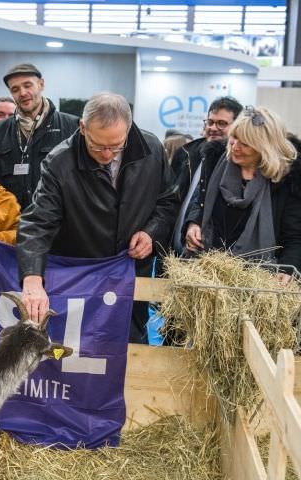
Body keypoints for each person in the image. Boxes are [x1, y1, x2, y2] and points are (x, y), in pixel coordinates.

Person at [16, 93, 179, 342]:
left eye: (116, 145)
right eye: (98, 145)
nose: (107, 154)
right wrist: (32, 279)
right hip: (83, 274)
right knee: (81, 350)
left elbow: (167, 201)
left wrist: (150, 232)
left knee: (130, 345)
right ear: (83, 128)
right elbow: (38, 222)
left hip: (131, 271)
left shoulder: (151, 149)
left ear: (129, 127)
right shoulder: (59, 162)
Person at [184, 106, 301, 282]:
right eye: (234, 138)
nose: (235, 147)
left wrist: (288, 269)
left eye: (245, 143)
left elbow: (294, 235)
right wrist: (193, 224)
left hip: (258, 282)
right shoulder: (214, 162)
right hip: (206, 275)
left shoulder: (287, 181)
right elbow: (199, 204)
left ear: (265, 147)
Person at [0, 63, 79, 210]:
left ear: (41, 84)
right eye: (15, 89)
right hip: (13, 225)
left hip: (59, 224)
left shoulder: (72, 126)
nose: (22, 93)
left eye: (28, 85)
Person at [171, 96, 243, 253]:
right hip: (171, 251)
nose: (213, 128)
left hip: (207, 254)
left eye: (222, 123)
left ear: (237, 127)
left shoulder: (238, 164)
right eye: (210, 122)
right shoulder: (186, 153)